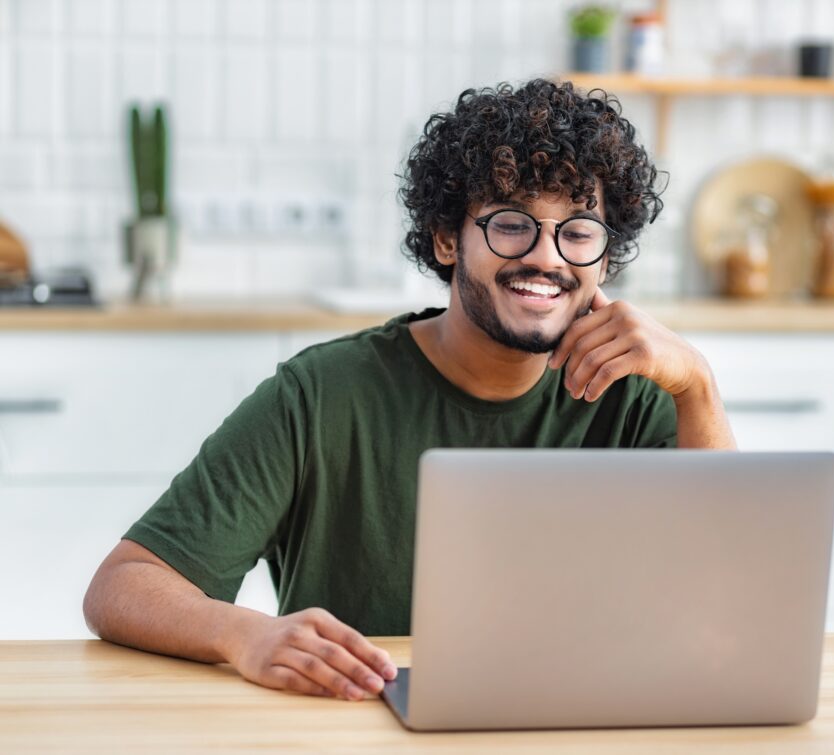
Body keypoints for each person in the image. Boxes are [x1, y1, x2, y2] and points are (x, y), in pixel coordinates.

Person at [84, 79, 736, 703]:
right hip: (359, 718)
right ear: (447, 237)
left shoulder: (634, 395)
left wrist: (699, 388)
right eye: (512, 223)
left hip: (577, 719)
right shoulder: (322, 395)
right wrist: (241, 634)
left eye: (578, 232)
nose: (548, 257)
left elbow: (726, 607)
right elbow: (123, 585)